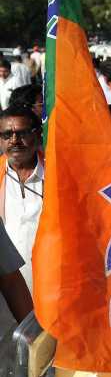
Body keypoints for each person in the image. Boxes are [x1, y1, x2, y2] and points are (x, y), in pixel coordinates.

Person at [0, 106, 43, 290]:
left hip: (54, 290)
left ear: (37, 134)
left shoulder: (60, 174)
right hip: (8, 295)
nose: (14, 141)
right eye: (7, 135)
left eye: (22, 133)